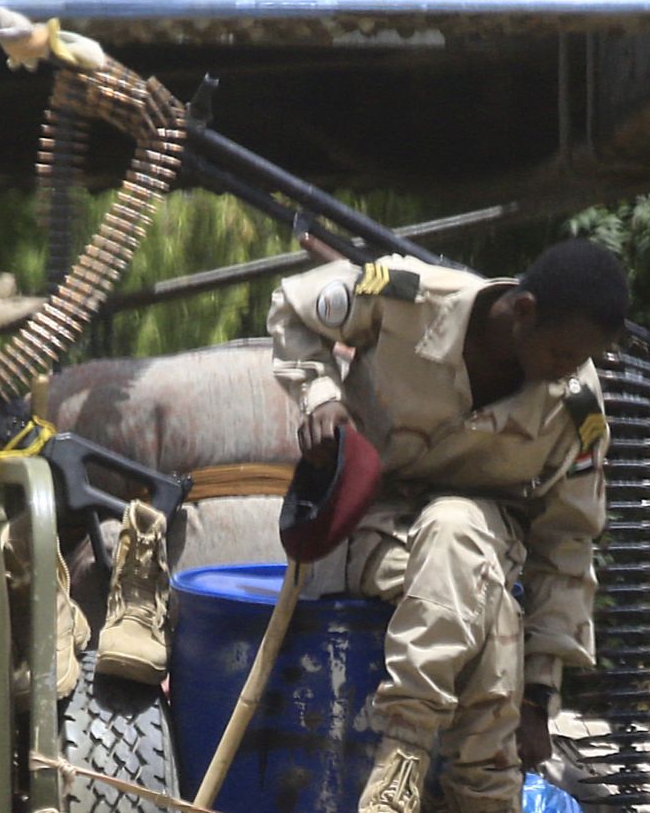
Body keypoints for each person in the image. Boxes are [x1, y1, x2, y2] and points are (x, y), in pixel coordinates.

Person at [267, 240, 629, 813]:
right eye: (562, 352)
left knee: (457, 528)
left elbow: (569, 540)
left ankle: (401, 765)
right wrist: (319, 396)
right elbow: (292, 304)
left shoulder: (577, 405)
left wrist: (540, 695)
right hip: (372, 525)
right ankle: (467, 788)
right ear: (524, 310)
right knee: (493, 612)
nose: (569, 371)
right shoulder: (406, 298)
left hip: (484, 539)